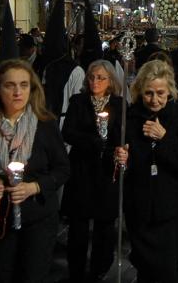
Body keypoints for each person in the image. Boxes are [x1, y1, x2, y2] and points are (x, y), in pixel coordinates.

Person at [0, 59, 70, 283]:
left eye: (24, 85)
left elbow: (63, 169)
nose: (18, 92)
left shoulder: (44, 124)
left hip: (37, 218)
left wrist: (35, 186)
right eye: (10, 85)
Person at [113, 60, 178, 282]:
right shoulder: (129, 118)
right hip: (139, 205)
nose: (155, 100)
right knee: (144, 266)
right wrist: (120, 158)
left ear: (170, 90)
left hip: (171, 207)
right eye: (148, 93)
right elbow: (116, 156)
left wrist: (164, 138)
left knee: (169, 268)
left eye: (160, 93)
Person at [61, 60, 122, 282]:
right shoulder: (78, 102)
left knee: (104, 225)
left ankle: (99, 267)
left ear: (110, 81)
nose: (95, 81)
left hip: (106, 171)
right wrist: (92, 141)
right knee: (78, 225)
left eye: (101, 77)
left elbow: (122, 135)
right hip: (82, 170)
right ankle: (75, 270)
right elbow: (68, 132)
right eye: (92, 77)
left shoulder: (119, 104)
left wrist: (118, 149)